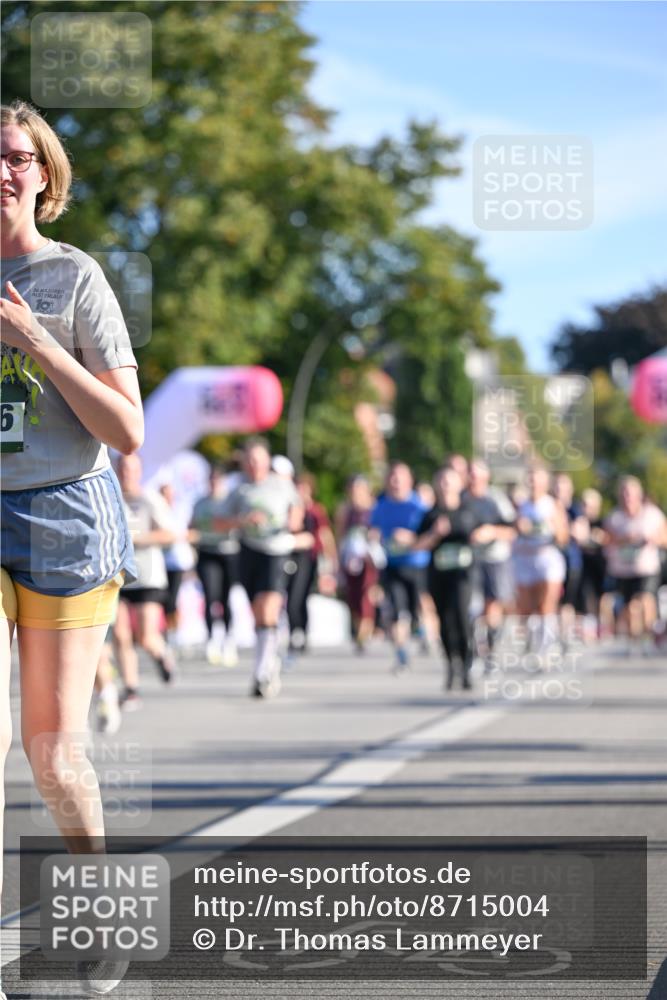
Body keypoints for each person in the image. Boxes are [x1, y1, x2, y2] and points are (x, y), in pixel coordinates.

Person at [0, 99, 142, 996]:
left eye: (13, 156)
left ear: (44, 174)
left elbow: (125, 429)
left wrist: (36, 341)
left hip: (64, 517)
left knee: (50, 748)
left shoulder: (74, 276)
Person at [213, 438, 304, 697]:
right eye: (249, 460)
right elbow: (219, 523)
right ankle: (269, 658)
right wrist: (242, 520)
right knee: (259, 614)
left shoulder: (281, 485)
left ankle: (262, 672)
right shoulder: (238, 490)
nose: (253, 465)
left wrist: (288, 520)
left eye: (258, 459)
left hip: (275, 551)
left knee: (268, 608)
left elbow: (297, 511)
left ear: (267, 461)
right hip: (248, 551)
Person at [113, 454, 177, 710]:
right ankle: (131, 689)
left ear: (139, 471)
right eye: (123, 468)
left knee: (146, 636)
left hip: (148, 575)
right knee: (120, 635)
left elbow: (170, 534)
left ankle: (162, 655)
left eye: (131, 469)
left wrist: (138, 539)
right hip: (117, 577)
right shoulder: (111, 496)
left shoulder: (150, 499)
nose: (127, 474)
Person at [416, 466, 478, 689]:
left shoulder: (468, 510)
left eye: (449, 481)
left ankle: (467, 662)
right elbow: (418, 545)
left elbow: (484, 533)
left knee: (461, 616)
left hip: (463, 575)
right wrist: (434, 534)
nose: (445, 485)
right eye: (441, 480)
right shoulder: (430, 515)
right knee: (444, 620)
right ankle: (451, 664)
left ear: (459, 484)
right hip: (438, 573)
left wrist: (480, 534)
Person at [369, 462, 429, 672]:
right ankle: (401, 651)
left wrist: (411, 538)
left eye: (400, 478)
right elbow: (373, 529)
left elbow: (430, 534)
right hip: (392, 565)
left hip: (417, 564)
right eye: (392, 477)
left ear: (409, 481)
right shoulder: (381, 506)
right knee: (396, 609)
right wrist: (373, 537)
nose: (395, 482)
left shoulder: (419, 506)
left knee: (418, 607)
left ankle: (424, 631)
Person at [604, 476, 666, 652]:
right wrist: (624, 540)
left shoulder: (652, 514)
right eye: (624, 494)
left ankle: (649, 634)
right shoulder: (614, 518)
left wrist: (652, 539)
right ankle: (634, 641)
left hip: (646, 568)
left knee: (644, 601)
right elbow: (607, 540)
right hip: (623, 570)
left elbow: (664, 537)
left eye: (630, 494)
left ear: (639, 495)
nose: (627, 498)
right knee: (629, 609)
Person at [512, 467, 569, 655]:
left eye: (537, 479)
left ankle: (547, 647)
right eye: (531, 479)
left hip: (547, 557)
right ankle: (534, 642)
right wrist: (520, 528)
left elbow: (563, 537)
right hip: (526, 559)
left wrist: (550, 528)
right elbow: (513, 533)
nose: (534, 483)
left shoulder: (552, 505)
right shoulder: (521, 506)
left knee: (546, 604)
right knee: (527, 608)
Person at [464, 459, 516, 666]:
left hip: (495, 558)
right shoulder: (462, 499)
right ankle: (477, 648)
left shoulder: (496, 499)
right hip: (469, 559)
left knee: (492, 605)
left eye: (477, 476)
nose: (473, 480)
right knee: (473, 606)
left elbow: (512, 530)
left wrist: (491, 532)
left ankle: (491, 652)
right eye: (470, 476)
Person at [189, 464, 241, 666]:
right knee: (210, 595)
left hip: (228, 552)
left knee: (226, 597)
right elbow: (192, 527)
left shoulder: (230, 501)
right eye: (211, 480)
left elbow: (238, 523)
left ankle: (228, 637)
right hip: (207, 552)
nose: (214, 485)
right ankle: (212, 637)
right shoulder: (200, 503)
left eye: (217, 481)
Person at [286, 473, 338, 654]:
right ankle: (294, 631)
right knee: (290, 597)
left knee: (300, 596)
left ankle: (302, 632)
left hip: (309, 558)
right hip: (290, 556)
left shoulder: (315, 510)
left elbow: (325, 535)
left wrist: (330, 562)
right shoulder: (290, 509)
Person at [335, 475, 380, 652]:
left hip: (369, 559)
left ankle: (363, 634)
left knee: (366, 595)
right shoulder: (345, 511)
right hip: (350, 559)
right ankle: (359, 627)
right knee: (352, 596)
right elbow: (340, 535)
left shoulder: (374, 509)